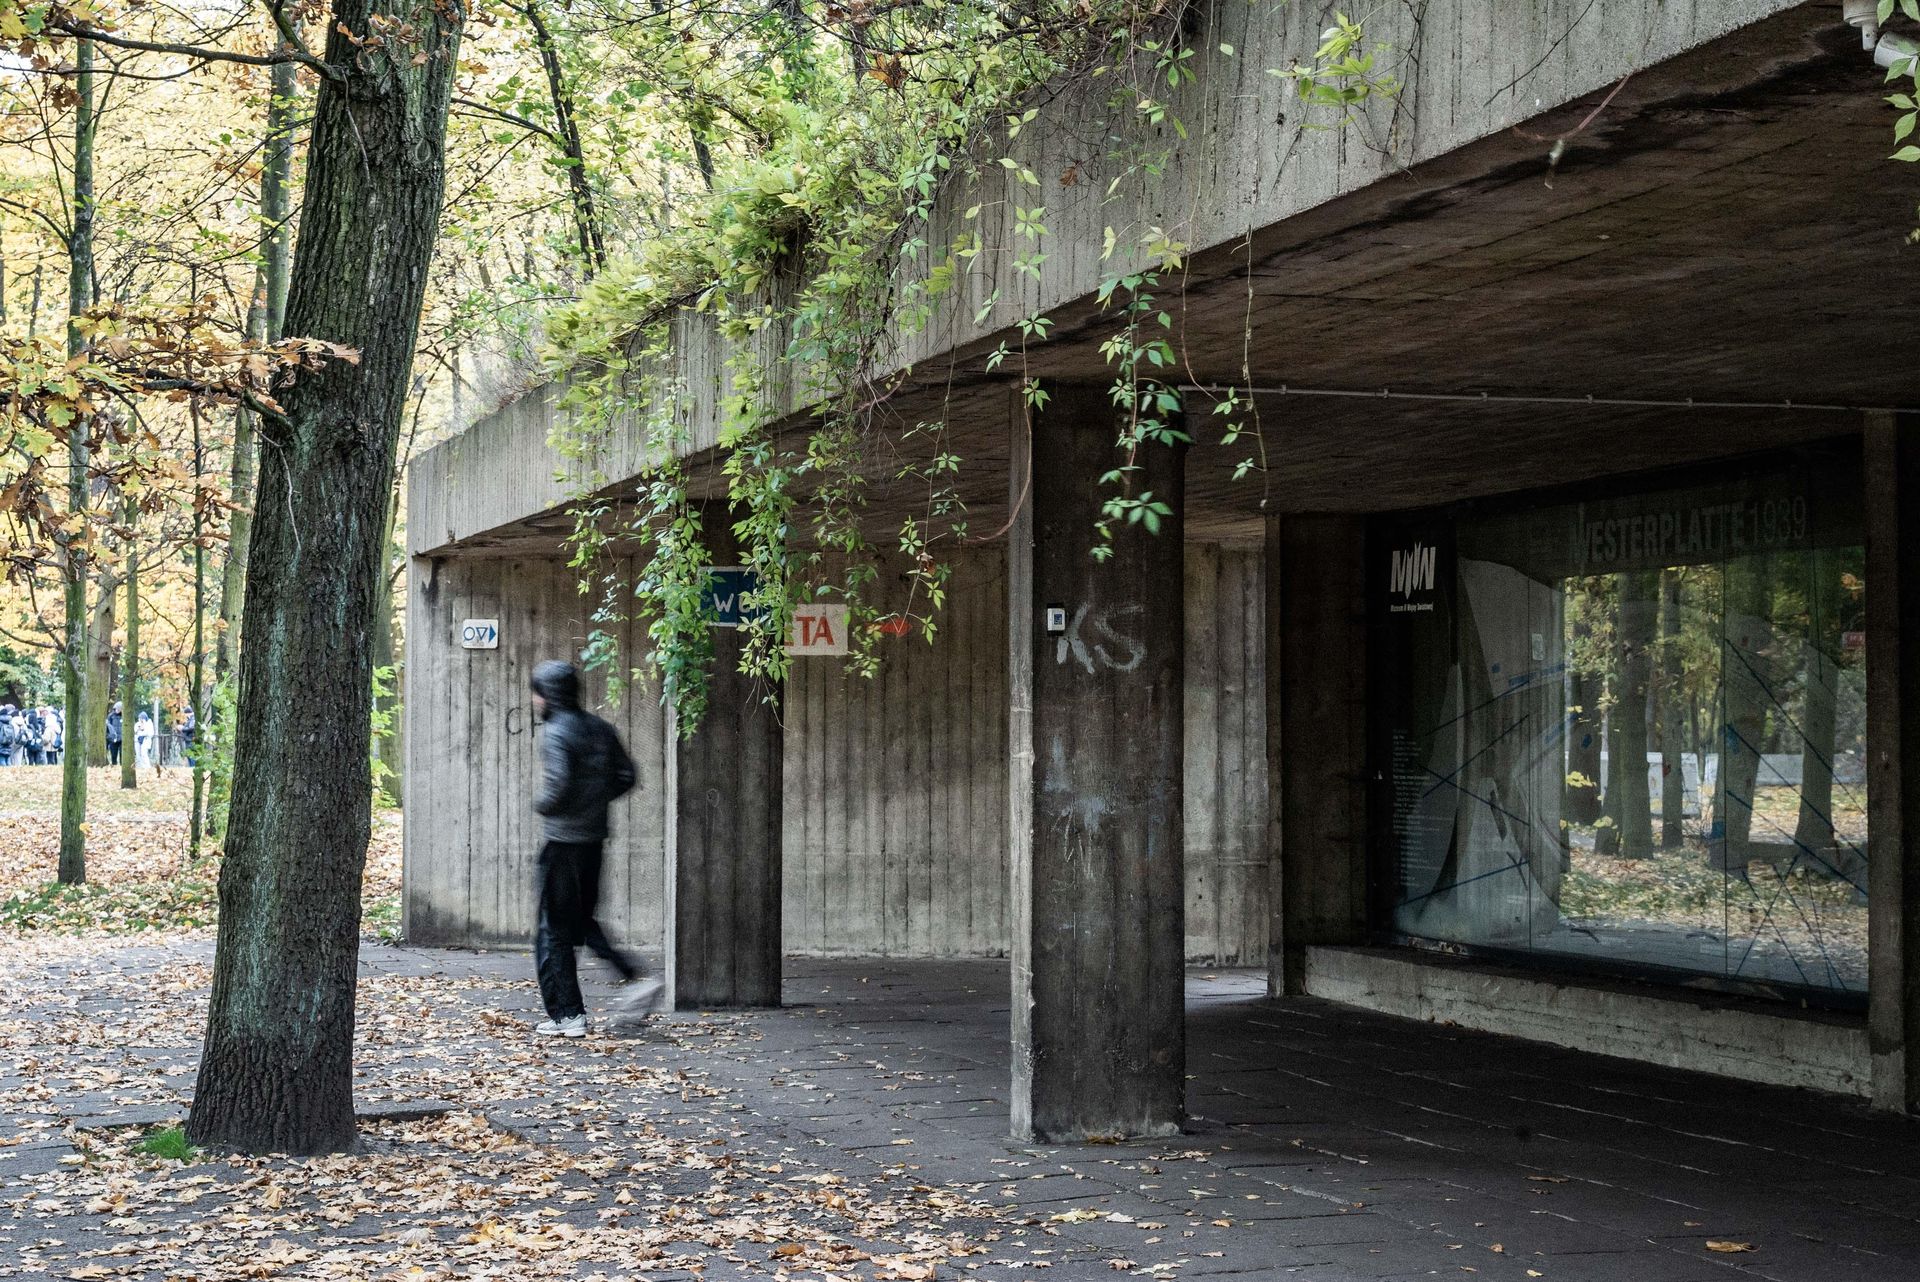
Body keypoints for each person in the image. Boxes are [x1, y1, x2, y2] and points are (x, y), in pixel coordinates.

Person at [527, 659, 657, 1038]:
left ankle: (567, 1015)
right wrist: (595, 801)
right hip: (593, 842)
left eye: (537, 693)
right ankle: (634, 977)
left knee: (553, 930)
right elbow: (626, 775)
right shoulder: (600, 728)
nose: (535, 701)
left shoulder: (555, 732)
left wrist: (543, 805)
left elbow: (560, 784)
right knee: (582, 920)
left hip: (562, 844)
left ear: (548, 695)